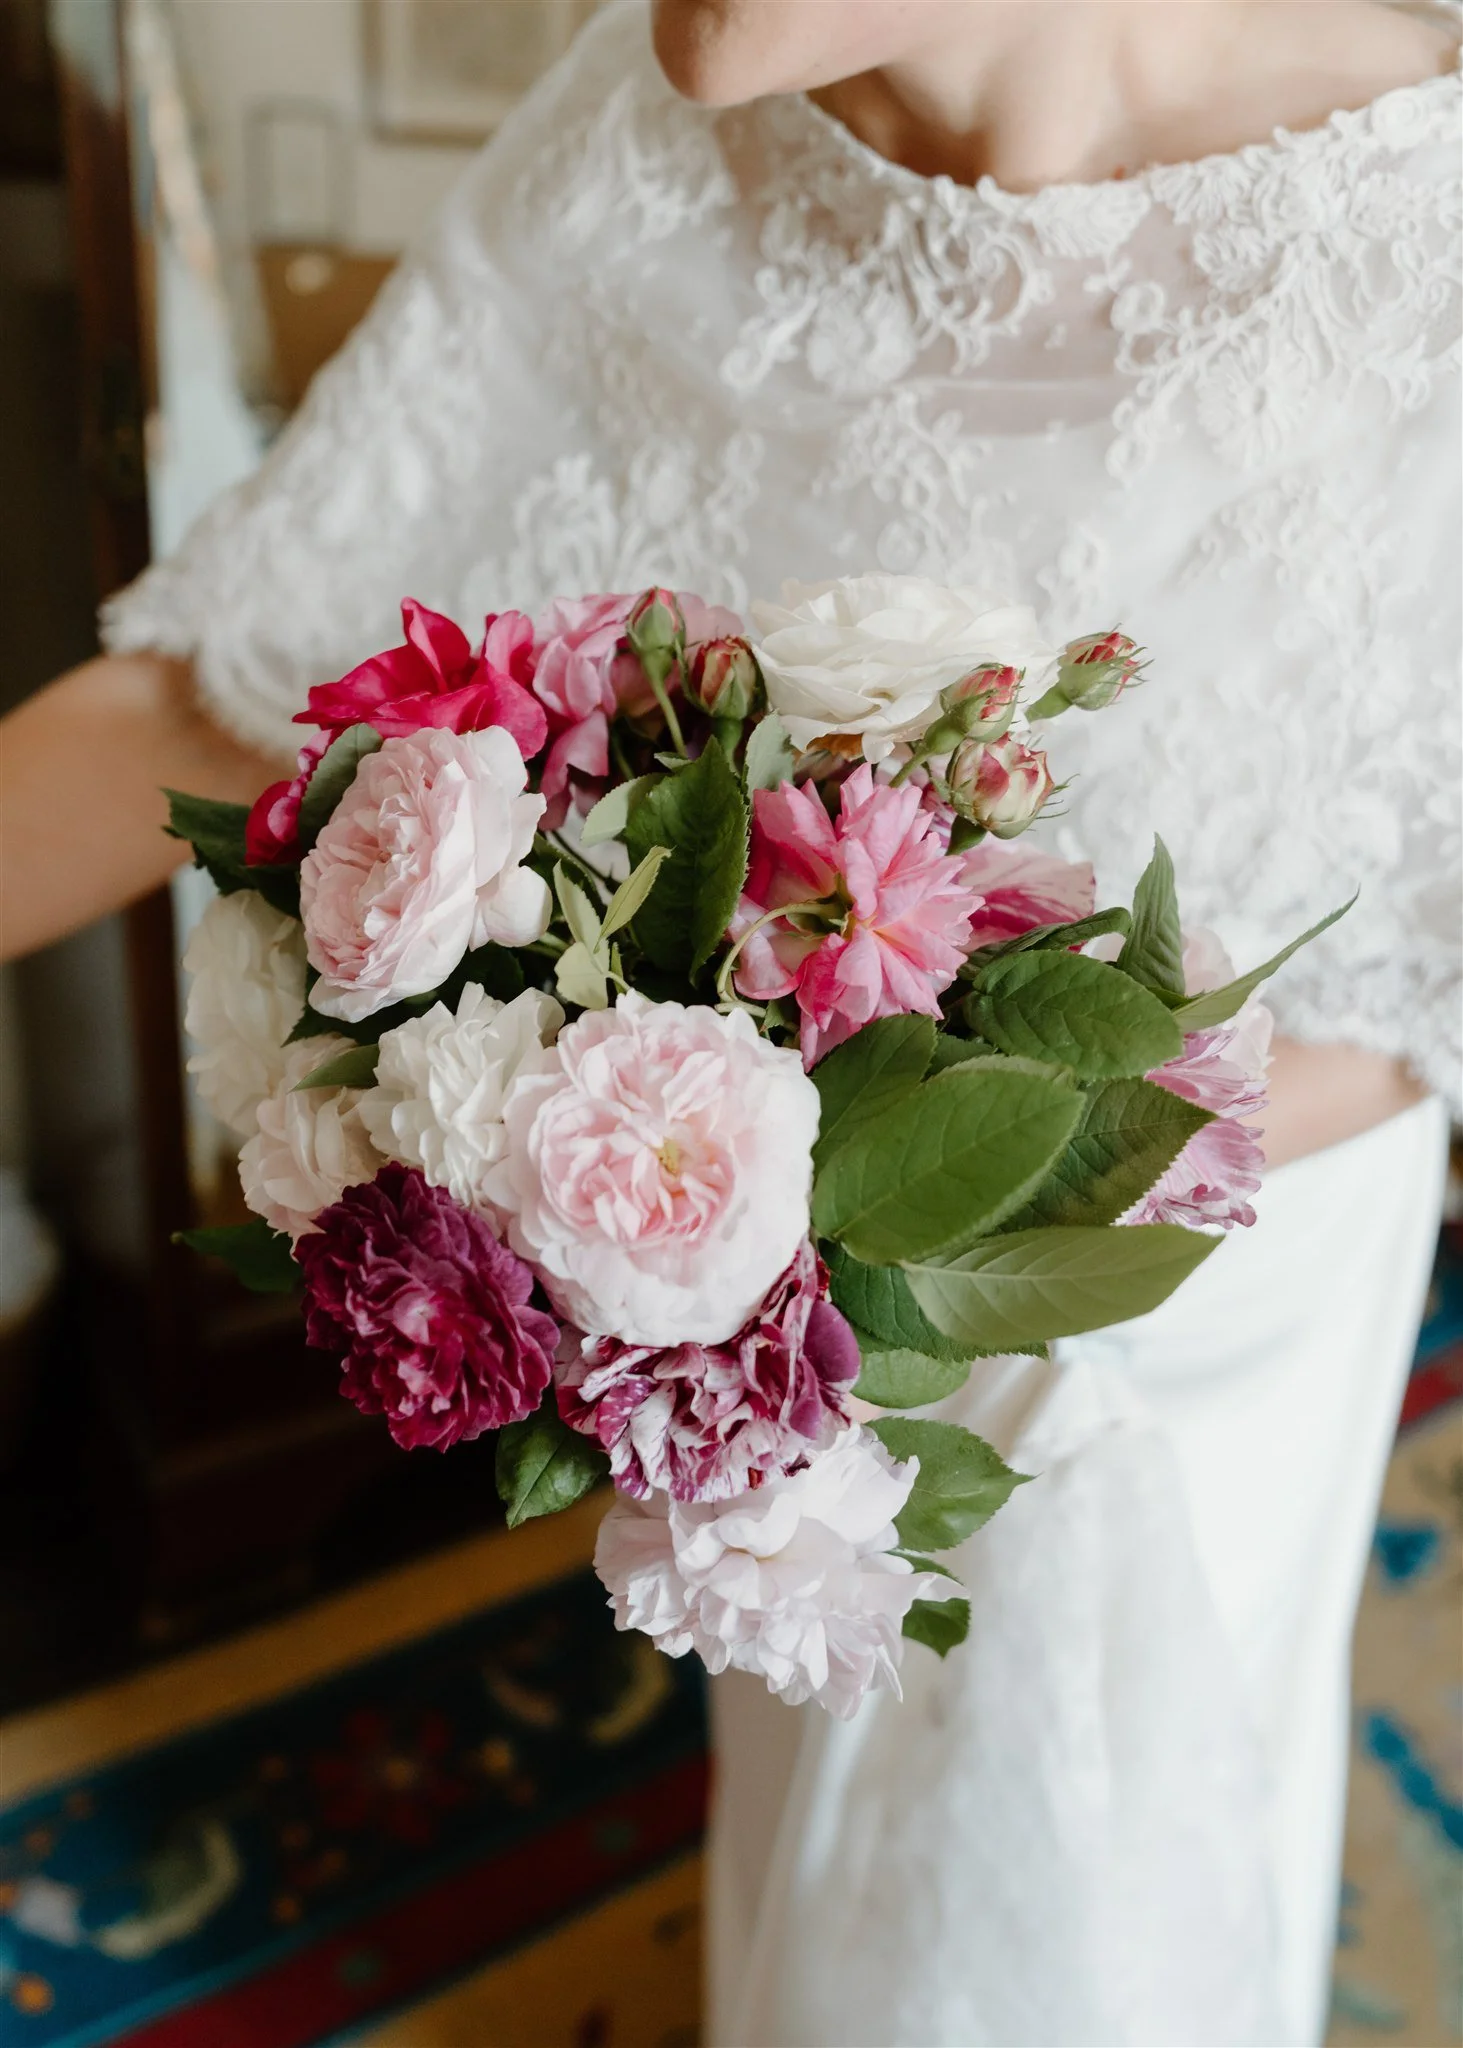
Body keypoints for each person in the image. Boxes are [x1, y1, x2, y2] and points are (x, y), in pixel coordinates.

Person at [1, 1, 1457, 2039]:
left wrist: (862, 1198)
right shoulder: (654, 118)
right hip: (763, 1416)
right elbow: (223, 681)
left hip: (1179, 1343)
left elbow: (1419, 971)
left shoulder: (1414, 222)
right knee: (811, 1904)